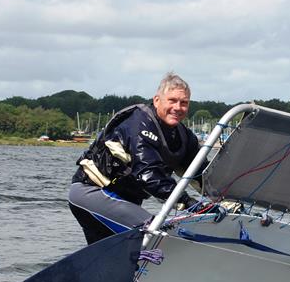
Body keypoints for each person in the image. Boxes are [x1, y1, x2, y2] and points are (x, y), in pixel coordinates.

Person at [68, 72, 206, 244]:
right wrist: (188, 202)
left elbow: (203, 173)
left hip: (124, 203)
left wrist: (224, 199)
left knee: (119, 255)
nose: (178, 107)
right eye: (172, 100)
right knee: (157, 232)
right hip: (91, 194)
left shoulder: (183, 136)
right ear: (157, 100)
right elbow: (148, 173)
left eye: (184, 103)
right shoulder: (138, 123)